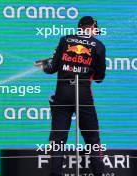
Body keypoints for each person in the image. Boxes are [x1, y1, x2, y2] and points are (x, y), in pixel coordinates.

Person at [38, 16, 106, 176]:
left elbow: (51, 68)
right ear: (92, 27)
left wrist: (43, 64)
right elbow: (99, 78)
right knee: (92, 139)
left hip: (62, 93)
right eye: (96, 30)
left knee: (58, 138)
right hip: (83, 95)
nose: (96, 33)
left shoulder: (65, 40)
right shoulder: (99, 46)